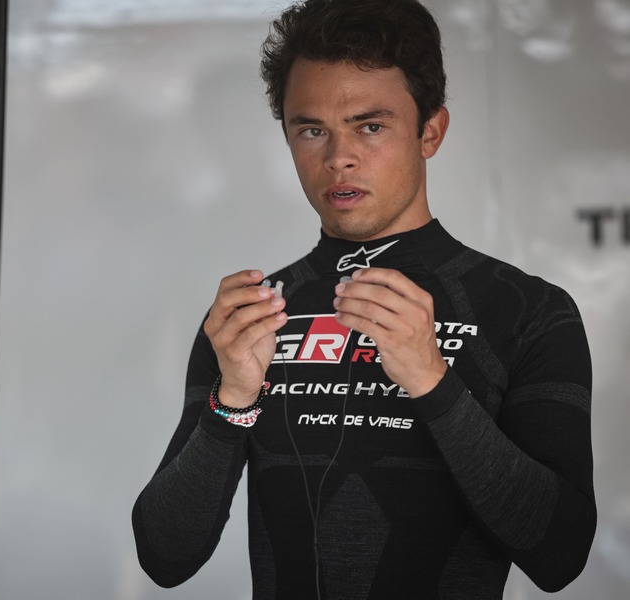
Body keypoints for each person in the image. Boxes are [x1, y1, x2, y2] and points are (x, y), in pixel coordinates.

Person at [131, 0, 596, 598]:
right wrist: (234, 402)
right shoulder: (251, 317)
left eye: (370, 126)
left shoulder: (530, 311)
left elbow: (560, 555)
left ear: (430, 131)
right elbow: (165, 557)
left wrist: (432, 381)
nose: (338, 158)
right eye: (311, 130)